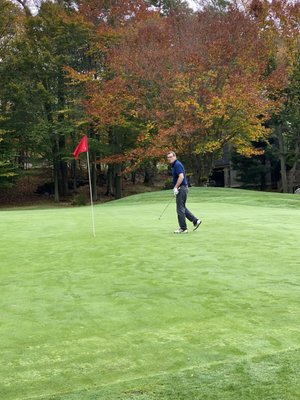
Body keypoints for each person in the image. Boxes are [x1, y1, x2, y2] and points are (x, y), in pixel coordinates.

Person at [167, 151, 202, 234]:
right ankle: (195, 221)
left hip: (181, 188)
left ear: (175, 156)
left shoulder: (177, 164)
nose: (169, 158)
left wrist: (175, 187)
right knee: (182, 207)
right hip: (181, 188)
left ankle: (183, 228)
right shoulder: (174, 165)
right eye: (168, 157)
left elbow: (181, 176)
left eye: (171, 156)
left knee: (180, 209)